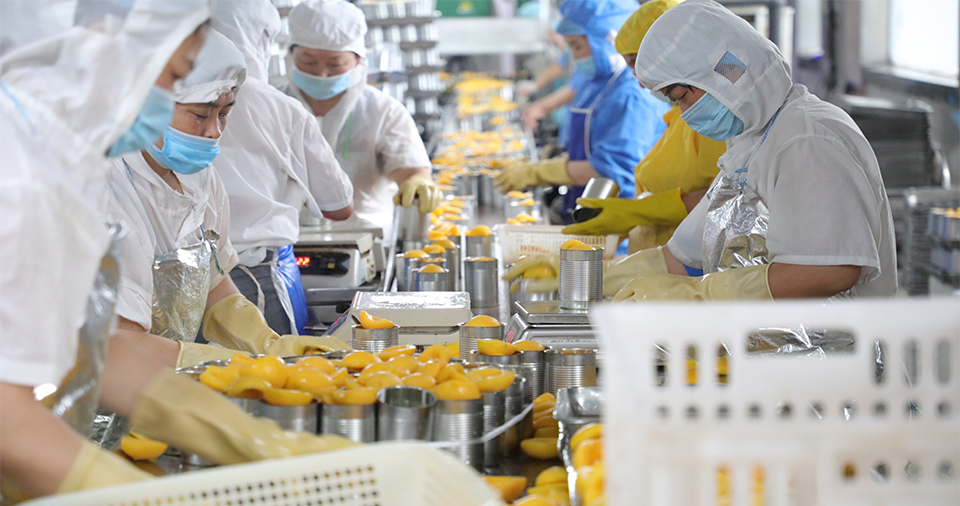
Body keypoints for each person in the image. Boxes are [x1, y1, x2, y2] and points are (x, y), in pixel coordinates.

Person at [1, 2, 353, 500]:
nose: (211, 126)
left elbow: (94, 344)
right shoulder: (18, 177)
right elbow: (9, 413)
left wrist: (242, 432)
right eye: (171, 80)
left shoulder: (66, 164)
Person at [611, 0, 896, 300]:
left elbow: (831, 270)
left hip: (831, 332)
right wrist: (603, 277)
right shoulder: (750, 139)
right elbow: (685, 255)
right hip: (766, 330)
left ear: (721, 78)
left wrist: (700, 294)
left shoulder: (807, 138)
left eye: (681, 96)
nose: (683, 112)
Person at [99, 31, 349, 368]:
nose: (214, 131)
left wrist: (265, 343)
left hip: (156, 372)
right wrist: (214, 360)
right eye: (201, 115)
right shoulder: (103, 189)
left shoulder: (199, 178)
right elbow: (117, 341)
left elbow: (213, 279)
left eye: (224, 113)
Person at [211, 0, 354, 336]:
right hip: (257, 277)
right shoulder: (280, 107)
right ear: (261, 39)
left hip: (186, 278)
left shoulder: (163, 101)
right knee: (274, 366)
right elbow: (338, 206)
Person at [561, 0, 727, 252]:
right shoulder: (680, 115)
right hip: (663, 258)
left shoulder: (714, 117)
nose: (640, 82)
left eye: (641, 65)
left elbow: (727, 197)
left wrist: (639, 211)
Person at [495, 0, 671, 221]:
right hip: (583, 204)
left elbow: (614, 170)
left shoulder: (631, 95)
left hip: (615, 217)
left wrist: (540, 172)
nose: (574, 56)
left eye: (577, 46)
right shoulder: (595, 80)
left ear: (605, 41)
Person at [282, 0, 441, 238]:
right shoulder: (271, 107)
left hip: (366, 240)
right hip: (283, 242)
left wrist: (418, 182)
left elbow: (411, 171)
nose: (322, 74)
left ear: (358, 61)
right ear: (291, 55)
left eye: (335, 64)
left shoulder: (382, 111)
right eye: (309, 62)